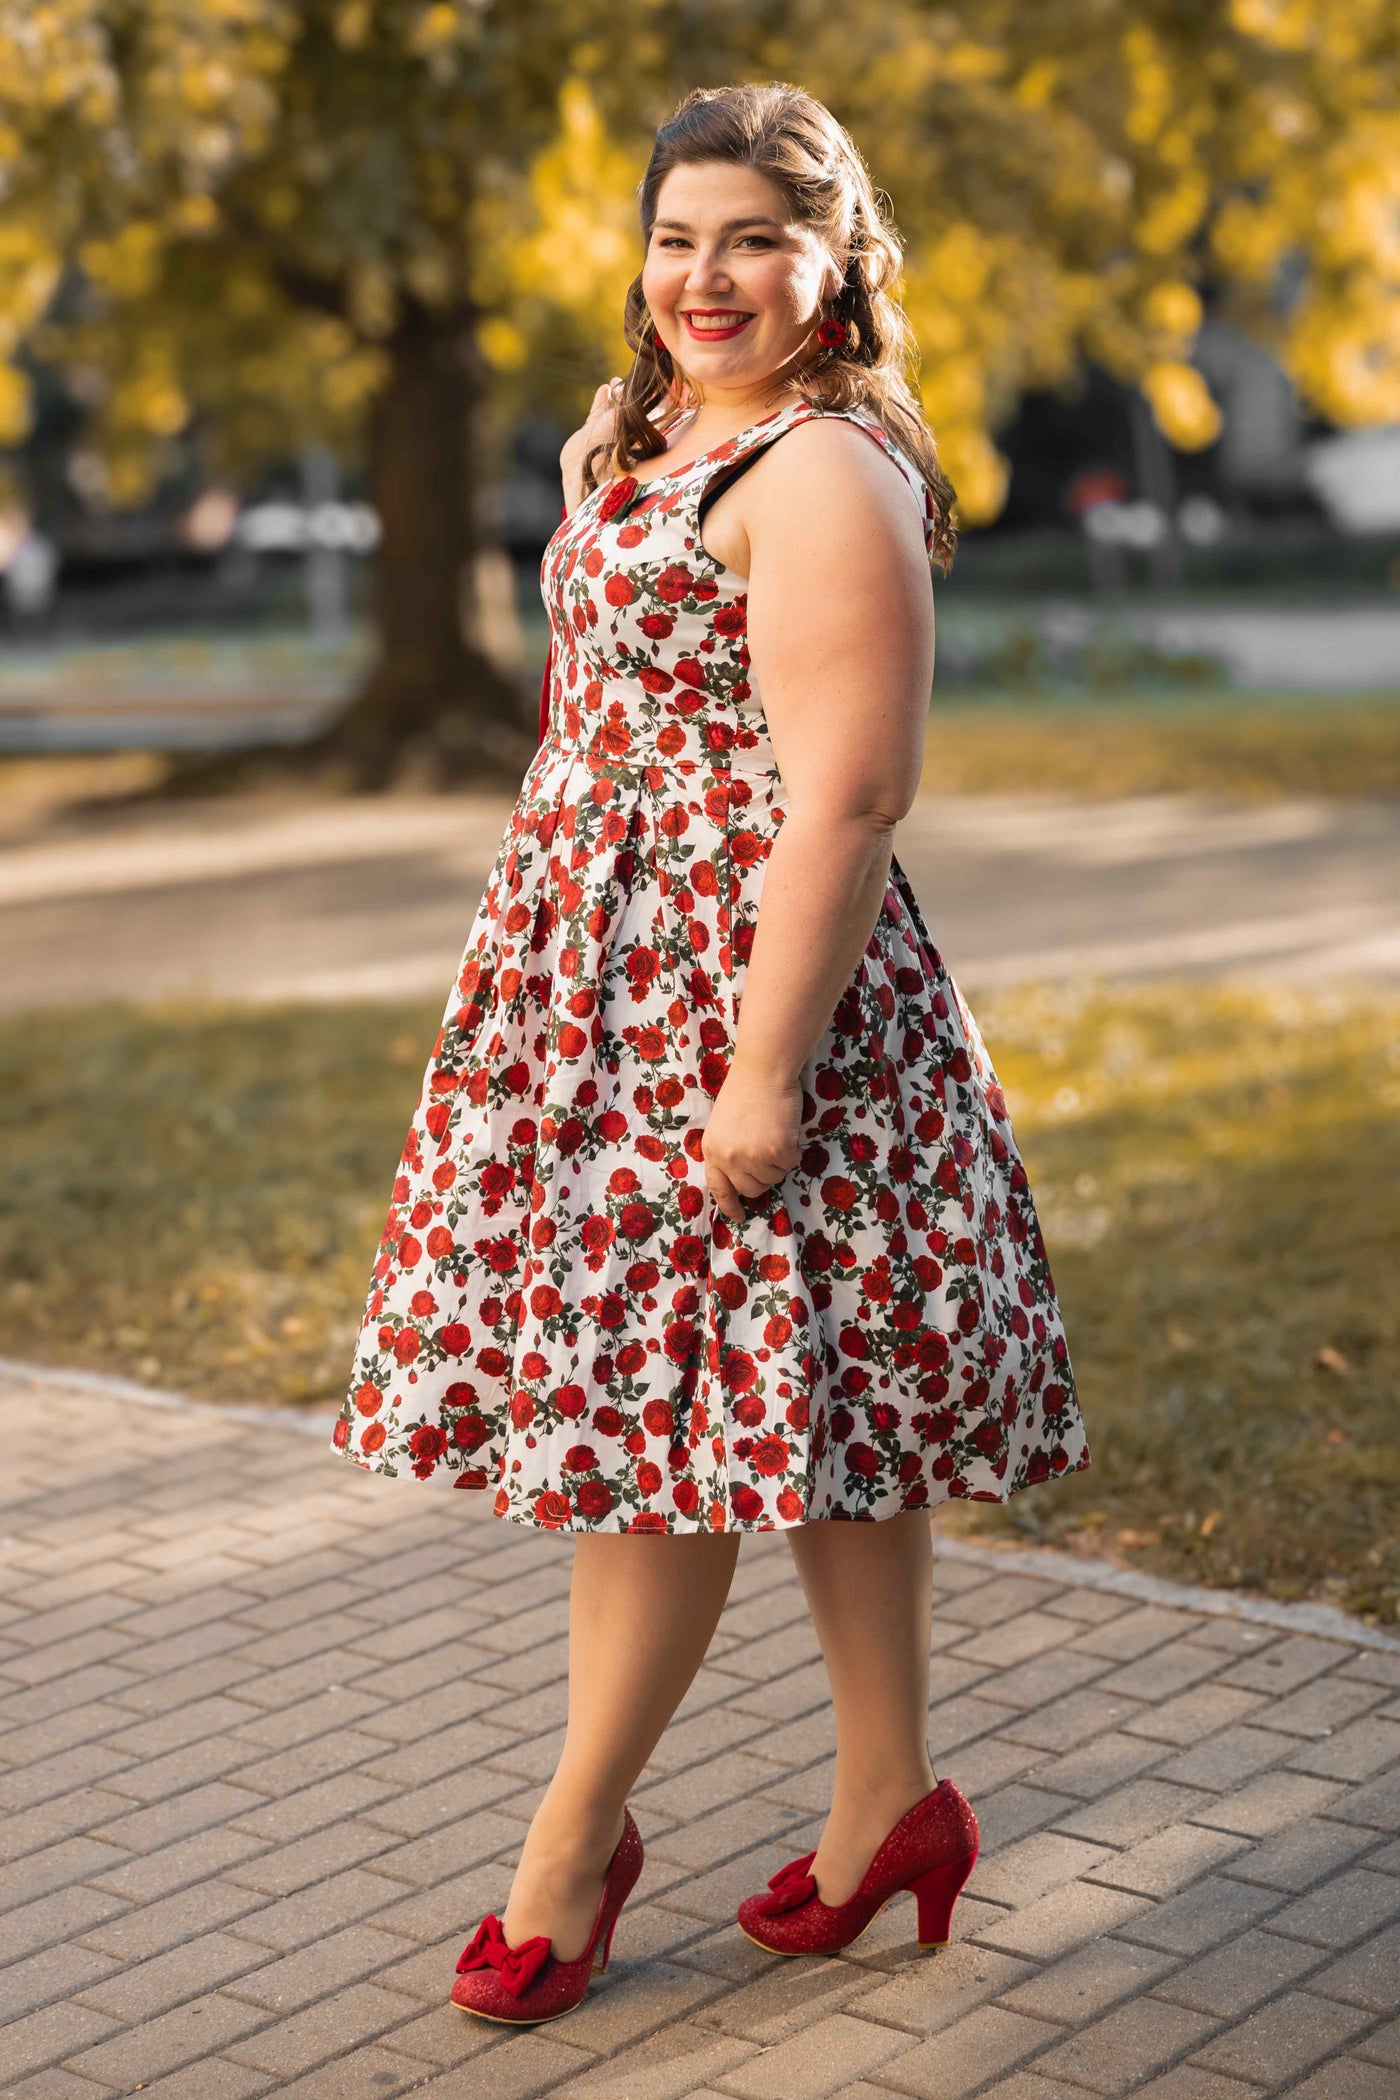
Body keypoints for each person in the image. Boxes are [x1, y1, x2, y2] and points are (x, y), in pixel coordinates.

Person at [330, 80, 1089, 2024]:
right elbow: (611, 697)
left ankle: (571, 1848)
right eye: (678, 239)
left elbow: (851, 798)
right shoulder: (652, 433)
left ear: (840, 262)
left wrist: (760, 1075)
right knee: (816, 1404)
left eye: (756, 238)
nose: (708, 276)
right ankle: (888, 1801)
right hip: (603, 979)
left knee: (649, 1434)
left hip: (748, 997)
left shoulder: (822, 473)